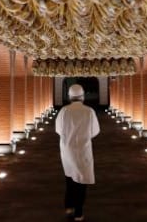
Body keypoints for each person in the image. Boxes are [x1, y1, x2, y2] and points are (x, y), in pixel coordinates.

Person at [55, 84, 100, 222]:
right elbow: (95, 132)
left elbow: (58, 130)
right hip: (83, 149)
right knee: (82, 181)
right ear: (82, 97)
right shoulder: (89, 111)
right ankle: (78, 213)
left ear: (69, 97)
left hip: (67, 149)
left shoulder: (64, 111)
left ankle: (69, 207)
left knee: (69, 179)